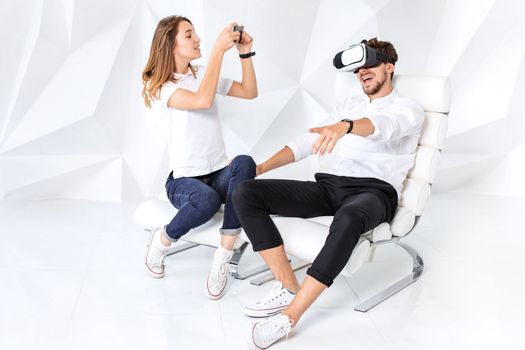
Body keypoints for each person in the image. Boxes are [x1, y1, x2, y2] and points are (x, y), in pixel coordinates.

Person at [233, 38, 425, 348]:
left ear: (389, 67)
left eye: (371, 64)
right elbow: (307, 141)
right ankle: (287, 286)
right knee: (246, 192)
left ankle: (290, 317)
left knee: (349, 217)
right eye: (359, 68)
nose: (363, 72)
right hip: (330, 185)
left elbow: (384, 126)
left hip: (374, 192)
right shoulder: (349, 105)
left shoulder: (409, 109)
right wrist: (261, 167)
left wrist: (346, 127)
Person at [141, 15, 258, 300]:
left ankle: (223, 255)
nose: (198, 39)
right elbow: (201, 101)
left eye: (196, 34)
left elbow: (250, 92)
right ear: (170, 45)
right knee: (205, 200)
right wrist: (219, 51)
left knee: (244, 163)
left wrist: (245, 54)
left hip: (217, 173)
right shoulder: (160, 88)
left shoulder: (202, 74)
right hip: (183, 181)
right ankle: (162, 240)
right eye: (189, 35)